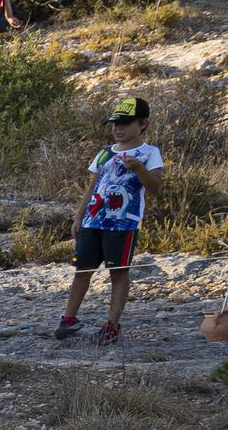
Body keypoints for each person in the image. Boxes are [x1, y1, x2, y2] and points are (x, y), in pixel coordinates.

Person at [54, 97, 165, 346]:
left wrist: (138, 168)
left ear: (143, 123)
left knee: (118, 272)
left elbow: (155, 186)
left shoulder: (149, 153)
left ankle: (112, 325)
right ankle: (68, 319)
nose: (118, 128)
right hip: (93, 221)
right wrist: (79, 216)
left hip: (123, 224)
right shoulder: (104, 153)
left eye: (125, 123)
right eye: (114, 123)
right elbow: (92, 186)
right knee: (82, 270)